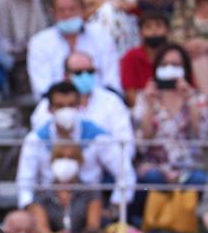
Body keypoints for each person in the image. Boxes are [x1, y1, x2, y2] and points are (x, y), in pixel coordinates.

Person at [16, 80, 135, 211]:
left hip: (90, 206)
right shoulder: (36, 139)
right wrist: (31, 210)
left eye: (71, 105)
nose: (66, 110)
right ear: (50, 109)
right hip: (48, 206)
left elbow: (125, 173)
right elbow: (25, 183)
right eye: (60, 106)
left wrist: (114, 208)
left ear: (79, 106)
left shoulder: (97, 136)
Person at [31, 51, 135, 164]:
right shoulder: (46, 105)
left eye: (90, 72)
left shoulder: (112, 101)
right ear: (65, 75)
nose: (85, 76)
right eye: (78, 73)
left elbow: (126, 146)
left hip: (103, 172)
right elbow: (38, 147)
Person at [132, 43, 208, 188]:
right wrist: (149, 105)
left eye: (175, 65)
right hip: (154, 166)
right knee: (152, 178)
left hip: (189, 166)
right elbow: (142, 141)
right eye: (165, 64)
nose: (170, 69)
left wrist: (190, 101)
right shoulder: (145, 97)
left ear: (184, 69)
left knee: (198, 179)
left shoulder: (196, 98)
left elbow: (201, 137)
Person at [27, 0, 120, 99]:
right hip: (57, 105)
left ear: (83, 10)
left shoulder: (101, 36)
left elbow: (112, 81)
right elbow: (42, 88)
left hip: (100, 104)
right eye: (61, 10)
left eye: (72, 9)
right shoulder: (39, 43)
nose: (67, 14)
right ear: (52, 13)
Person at [28, 142, 104, 233]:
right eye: (60, 157)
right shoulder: (41, 193)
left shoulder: (90, 191)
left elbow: (93, 227)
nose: (65, 161)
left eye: (71, 158)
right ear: (52, 161)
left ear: (80, 162)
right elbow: (42, 229)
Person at [171, 0, 208, 95]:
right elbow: (177, 36)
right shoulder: (183, 7)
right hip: (189, 56)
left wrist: (205, 45)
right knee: (198, 60)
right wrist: (192, 46)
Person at [120, 11, 170, 106]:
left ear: (167, 31)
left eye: (159, 26)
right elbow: (131, 96)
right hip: (144, 108)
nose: (154, 31)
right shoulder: (130, 57)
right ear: (140, 33)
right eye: (148, 27)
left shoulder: (177, 56)